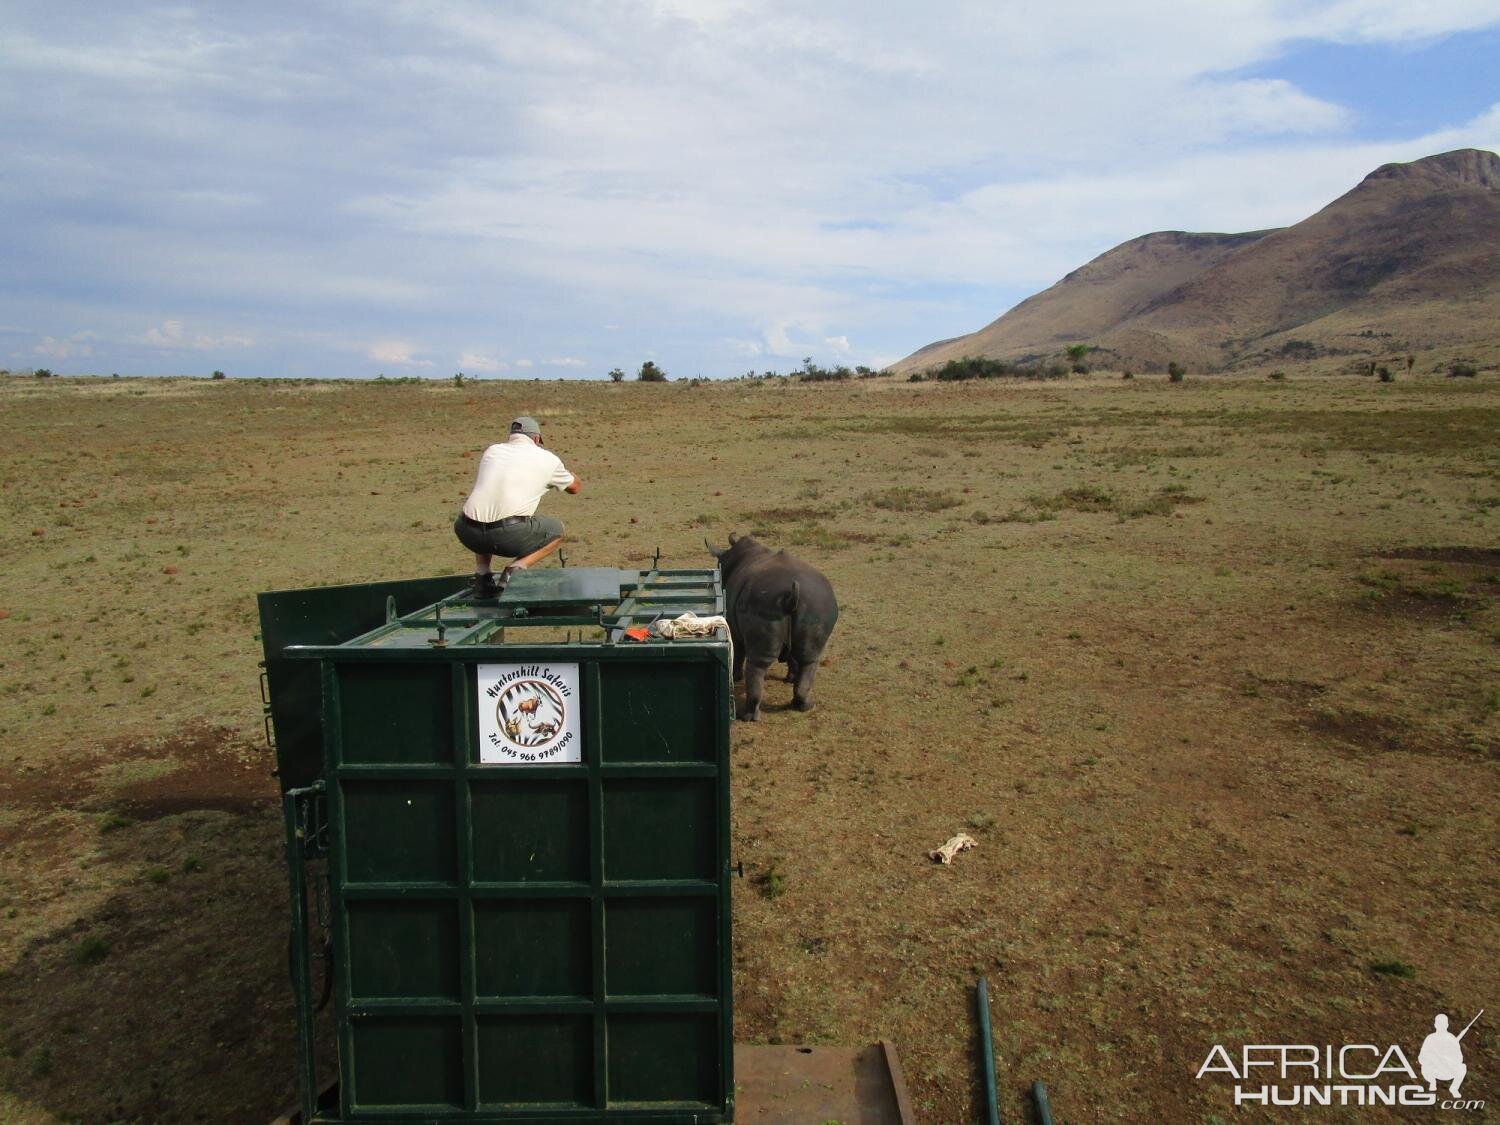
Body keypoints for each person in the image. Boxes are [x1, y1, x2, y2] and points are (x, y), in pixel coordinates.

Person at [454, 416, 580, 599]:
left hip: (466, 531)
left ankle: (482, 575)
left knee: (485, 509)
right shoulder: (547, 459)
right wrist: (572, 475)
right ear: (536, 439)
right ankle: (515, 570)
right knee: (557, 529)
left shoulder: (492, 451)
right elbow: (575, 488)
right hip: (508, 536)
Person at [1419, 1013, 1467, 1097]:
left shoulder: (1451, 1038)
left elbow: (1459, 1058)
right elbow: (1421, 1057)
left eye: (1443, 1023)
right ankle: (1432, 1082)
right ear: (1435, 1025)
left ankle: (1454, 1088)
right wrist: (1432, 1059)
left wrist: (1448, 1058)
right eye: (1439, 1023)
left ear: (1447, 1025)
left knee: (1462, 1067)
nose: (1441, 1026)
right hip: (1433, 1071)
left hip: (1448, 1070)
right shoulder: (1430, 1038)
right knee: (1425, 1066)